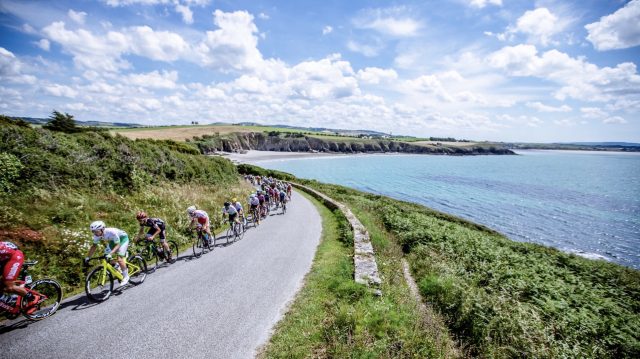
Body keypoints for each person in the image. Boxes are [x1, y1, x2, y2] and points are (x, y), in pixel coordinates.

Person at [85, 221, 130, 286]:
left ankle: (126, 277)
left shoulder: (111, 232)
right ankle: (117, 265)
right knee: (106, 256)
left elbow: (118, 245)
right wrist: (88, 257)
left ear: (102, 229)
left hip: (123, 239)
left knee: (119, 258)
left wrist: (111, 254)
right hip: (113, 241)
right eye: (93, 231)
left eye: (96, 231)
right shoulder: (96, 235)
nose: (95, 233)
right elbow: (94, 246)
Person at [1, 241, 41, 311]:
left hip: (14, 257)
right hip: (5, 258)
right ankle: (12, 298)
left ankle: (33, 298)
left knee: (9, 286)